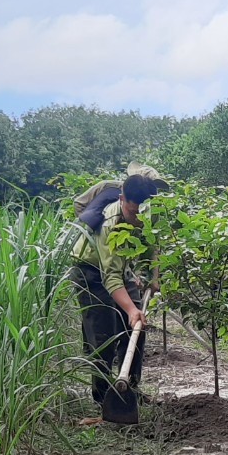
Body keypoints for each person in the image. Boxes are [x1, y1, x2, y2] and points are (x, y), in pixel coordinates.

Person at [68, 170, 162, 418]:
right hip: (90, 271)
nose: (136, 218)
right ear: (122, 199)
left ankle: (129, 386)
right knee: (104, 336)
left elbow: (153, 245)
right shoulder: (111, 223)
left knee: (137, 329)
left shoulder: (147, 210)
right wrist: (131, 309)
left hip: (121, 269)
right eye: (132, 212)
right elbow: (110, 277)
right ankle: (103, 398)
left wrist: (154, 278)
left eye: (141, 212)